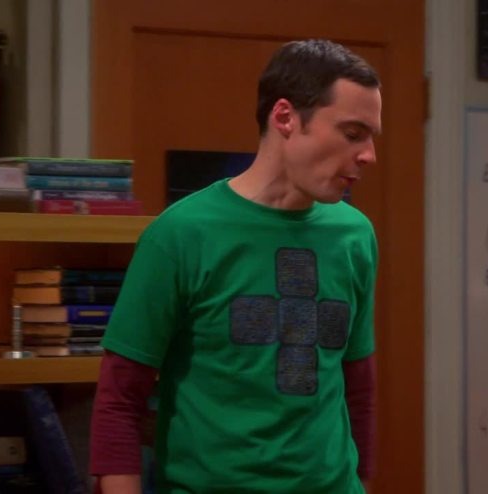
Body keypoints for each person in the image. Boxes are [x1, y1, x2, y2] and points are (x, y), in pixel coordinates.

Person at [90, 38, 381, 494]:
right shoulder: (181, 234)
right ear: (285, 118)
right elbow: (119, 399)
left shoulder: (355, 236)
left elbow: (358, 386)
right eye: (353, 133)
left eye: (371, 137)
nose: (368, 155)